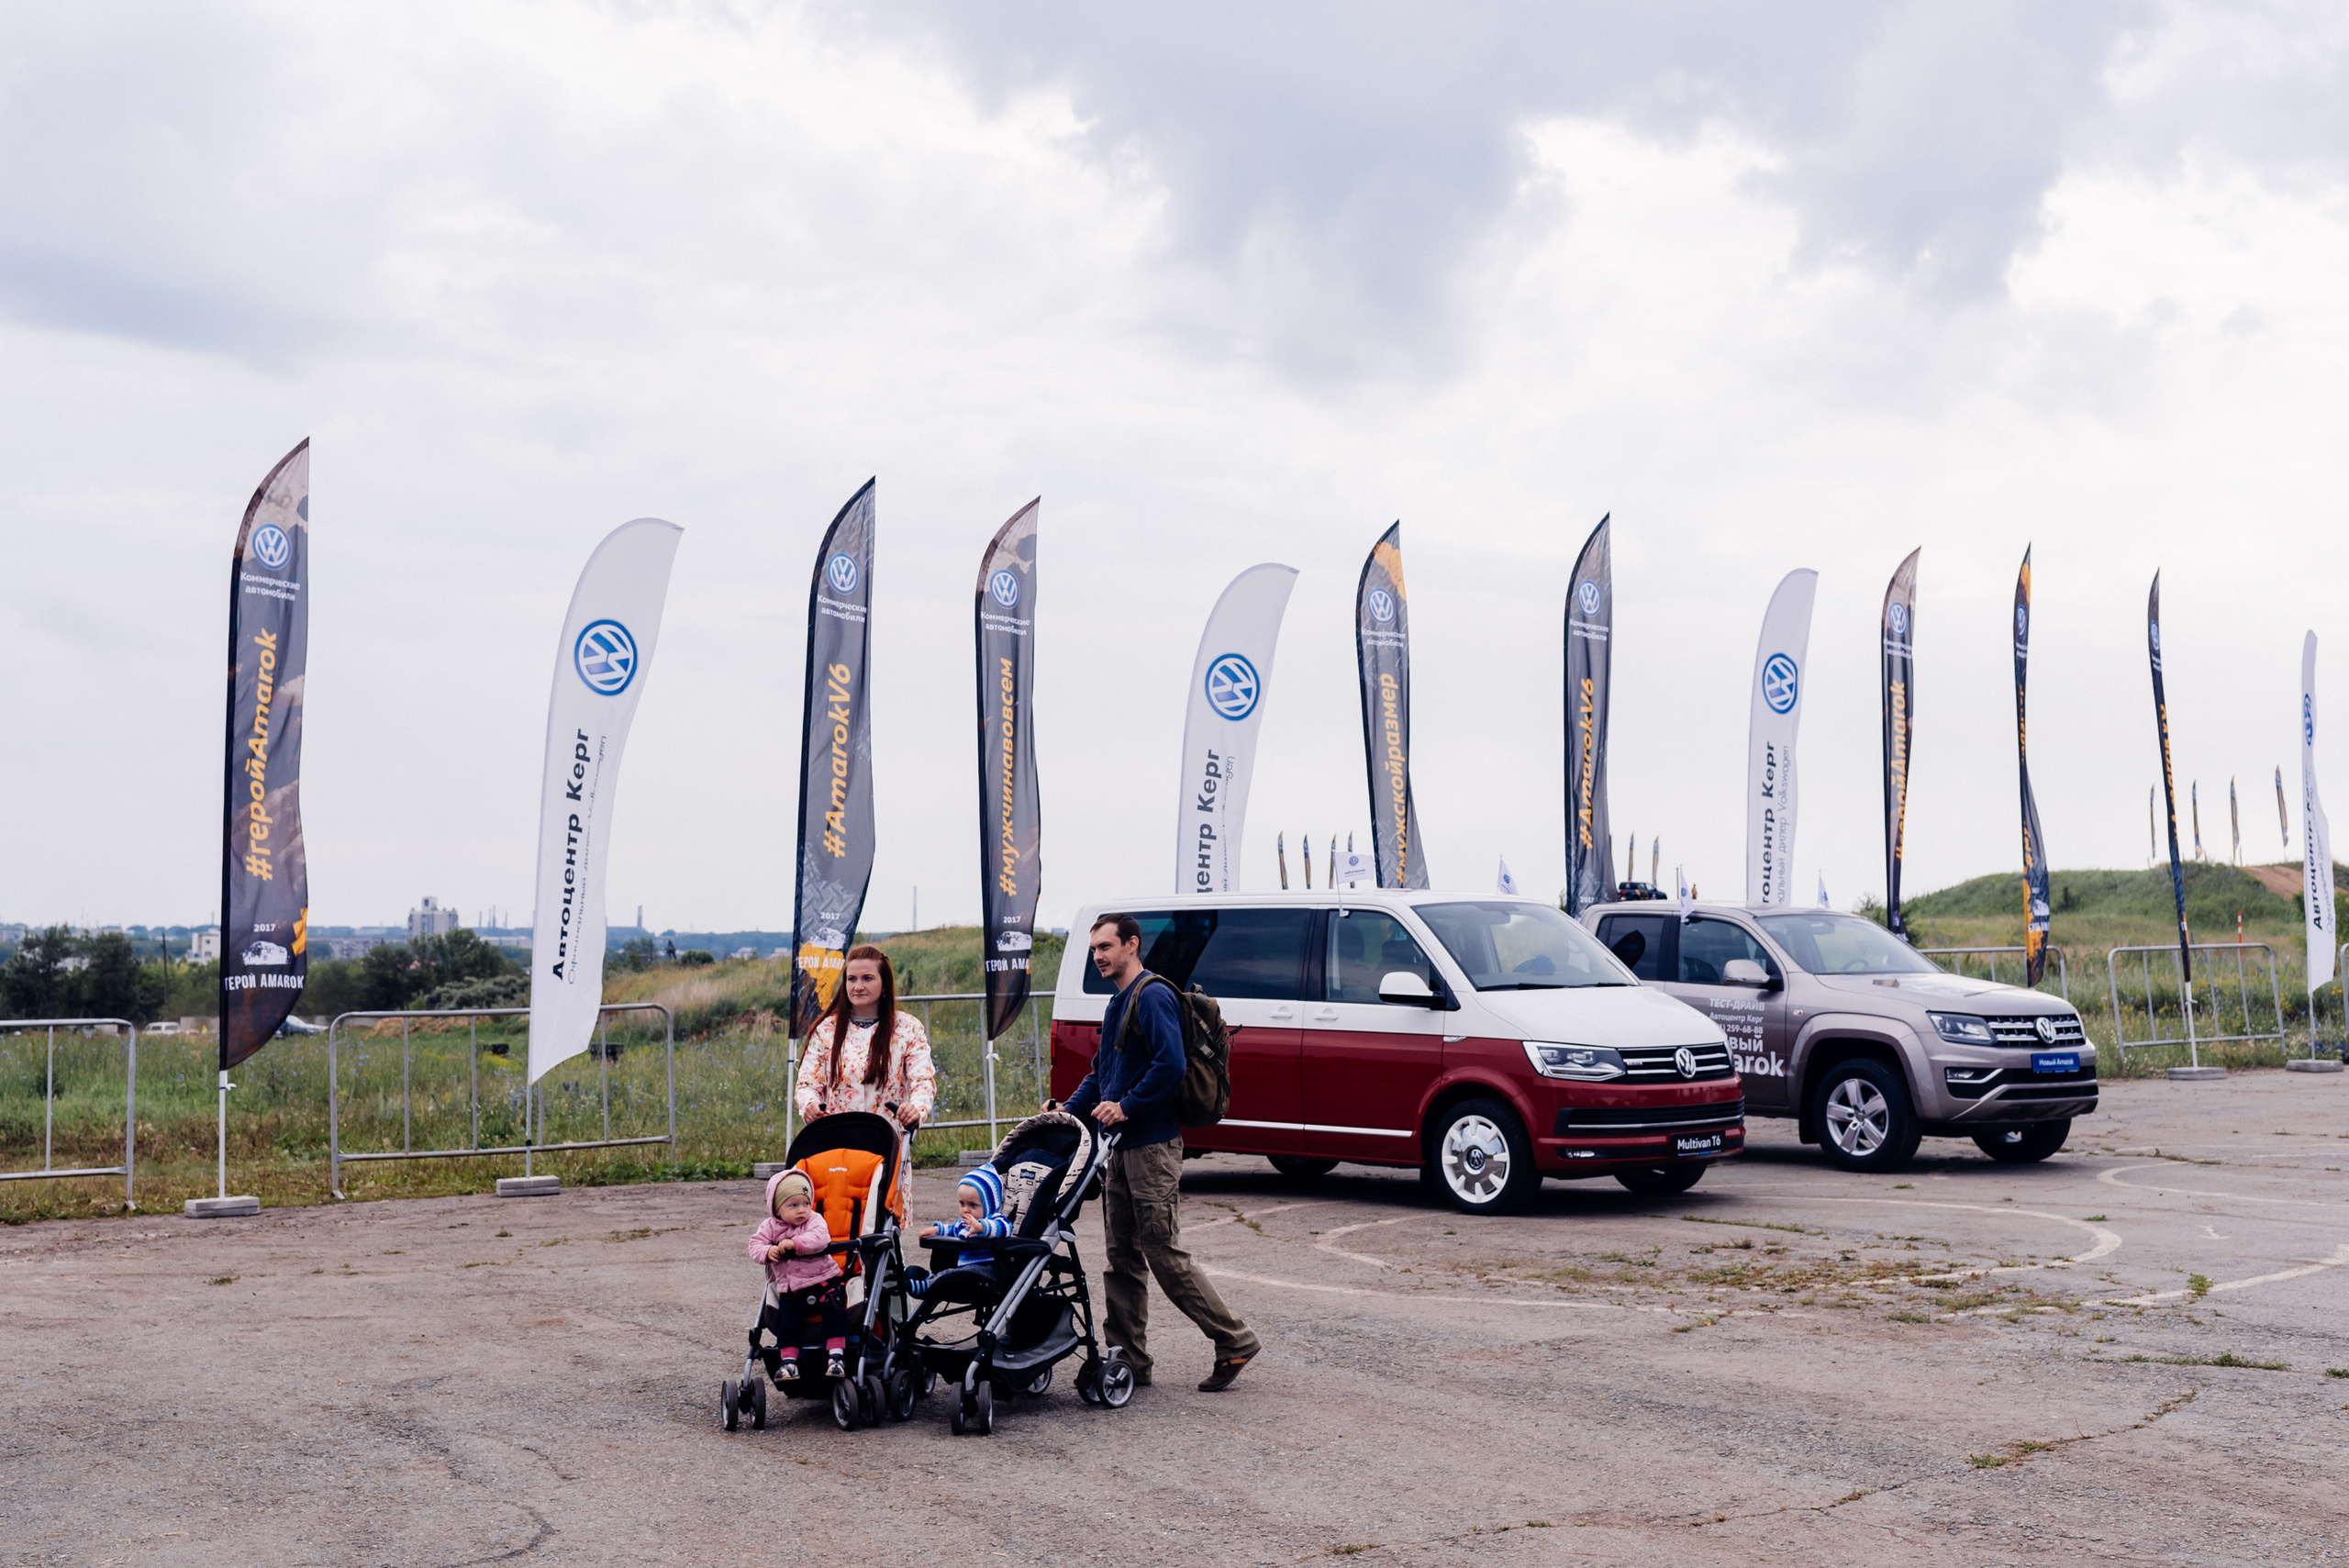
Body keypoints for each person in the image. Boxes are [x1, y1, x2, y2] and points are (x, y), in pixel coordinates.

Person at [1063, 912, 1262, 1393]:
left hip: (1152, 1148)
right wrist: (1068, 1114)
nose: (1099, 957)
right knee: (1121, 1259)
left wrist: (1127, 1107)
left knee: (1163, 1254)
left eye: (1106, 947)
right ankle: (1130, 1358)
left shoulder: (1151, 996)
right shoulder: (1117, 1004)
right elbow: (1101, 1072)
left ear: (1132, 945)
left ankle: (1234, 1338)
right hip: (1121, 1149)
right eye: (1094, 950)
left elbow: (1171, 1063)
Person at [794, 945, 935, 1130]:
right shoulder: (825, 1030)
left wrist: (916, 1108)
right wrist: (810, 1105)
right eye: (852, 979)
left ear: (884, 983)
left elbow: (923, 1081)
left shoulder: (908, 1028)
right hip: (836, 1146)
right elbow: (807, 1085)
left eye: (867, 978)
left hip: (888, 1145)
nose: (858, 986)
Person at [747, 1169, 846, 1381]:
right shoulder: (769, 1227)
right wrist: (767, 1252)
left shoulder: (814, 1221)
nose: (801, 1210)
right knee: (788, 1322)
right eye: (793, 1205)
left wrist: (795, 1243)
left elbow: (820, 1239)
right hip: (791, 1288)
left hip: (824, 1281)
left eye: (805, 1203)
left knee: (835, 1313)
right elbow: (754, 1245)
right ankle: (789, 1363)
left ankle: (836, 1357)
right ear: (777, 1209)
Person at [907, 1166, 1013, 1298]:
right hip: (966, 1268)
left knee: (954, 1274)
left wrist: (981, 1227)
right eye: (962, 1204)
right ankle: (932, 1280)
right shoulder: (963, 1222)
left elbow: (1006, 1228)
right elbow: (952, 1230)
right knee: (953, 1273)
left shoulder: (994, 1219)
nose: (966, 1210)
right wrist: (936, 1230)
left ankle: (931, 1285)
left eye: (972, 1205)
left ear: (988, 1205)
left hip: (987, 1270)